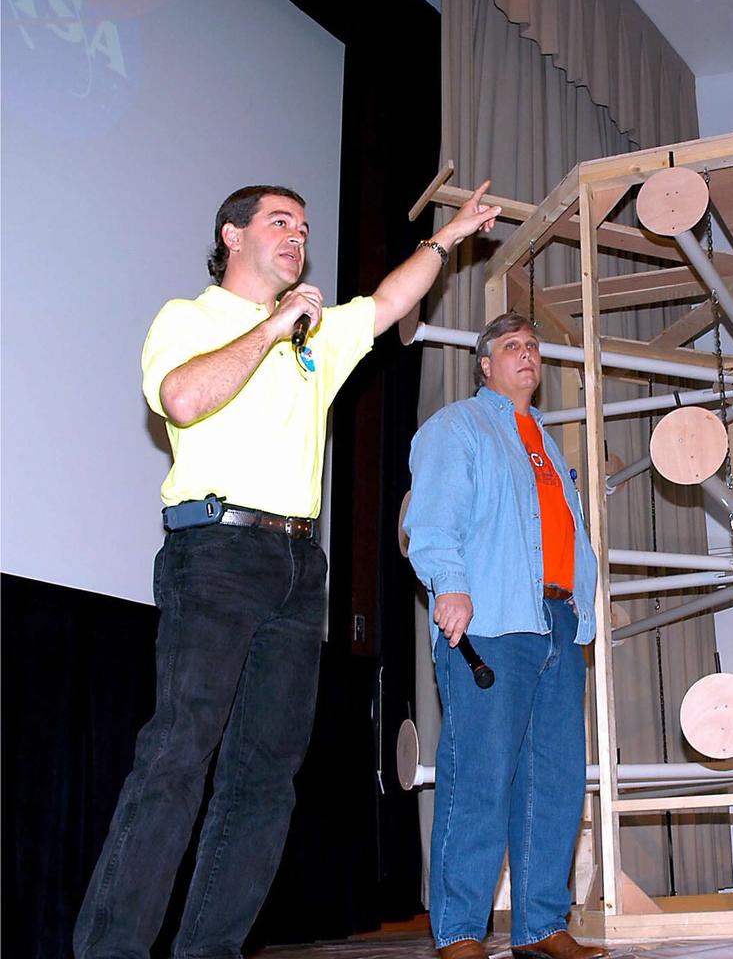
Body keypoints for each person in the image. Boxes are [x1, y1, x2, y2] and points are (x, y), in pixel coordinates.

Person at [74, 181, 500, 959]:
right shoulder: (191, 318)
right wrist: (273, 327)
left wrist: (450, 238)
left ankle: (209, 950)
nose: (298, 236)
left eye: (304, 227)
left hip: (299, 567)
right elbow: (182, 396)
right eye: (279, 222)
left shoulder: (317, 339)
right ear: (232, 236)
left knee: (265, 780)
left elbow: (382, 303)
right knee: (178, 756)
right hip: (216, 552)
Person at [404, 312, 607, 959]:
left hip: (557, 622)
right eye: (512, 347)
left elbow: (564, 538)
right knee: (480, 776)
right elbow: (432, 520)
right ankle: (461, 930)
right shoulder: (457, 427)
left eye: (533, 347)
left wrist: (582, 611)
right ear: (485, 366)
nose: (527, 355)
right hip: (490, 623)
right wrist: (448, 582)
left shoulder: (545, 443)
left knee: (555, 780)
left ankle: (542, 926)